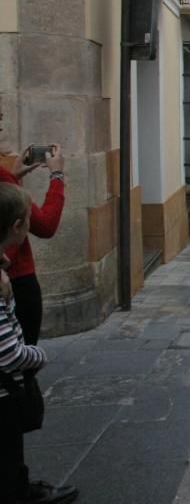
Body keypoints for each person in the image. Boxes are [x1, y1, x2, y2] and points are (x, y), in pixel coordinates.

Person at [0, 184, 78, 504]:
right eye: (27, 220)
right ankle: (16, 491)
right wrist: (38, 355)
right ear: (18, 226)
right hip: (4, 388)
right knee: (7, 443)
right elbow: (8, 354)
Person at [0, 144, 65, 347]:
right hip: (16, 278)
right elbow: (46, 225)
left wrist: (14, 179)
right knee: (19, 351)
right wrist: (57, 175)